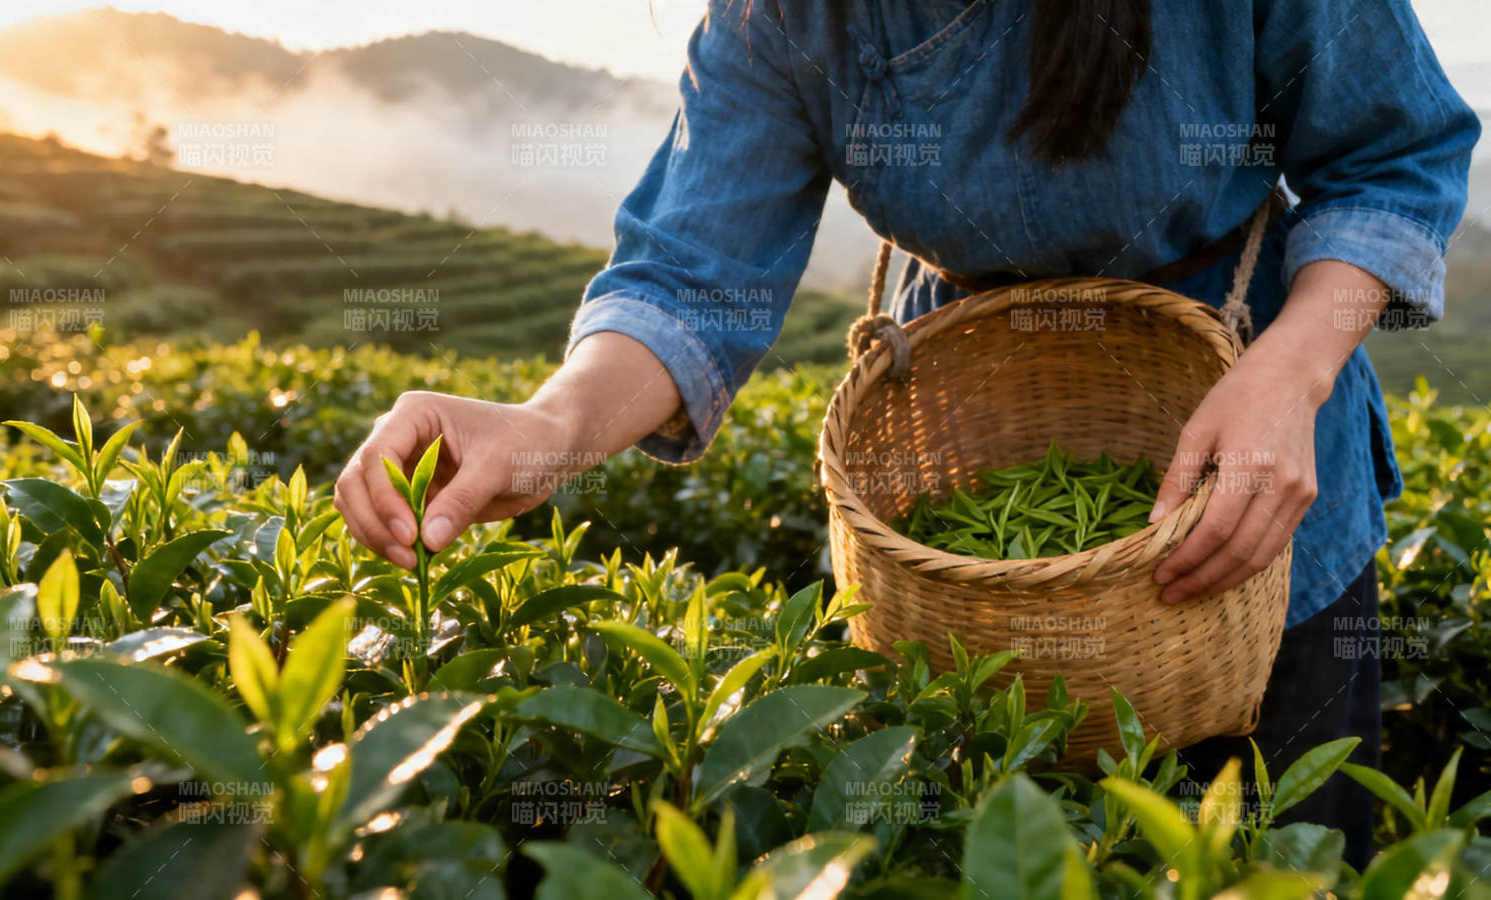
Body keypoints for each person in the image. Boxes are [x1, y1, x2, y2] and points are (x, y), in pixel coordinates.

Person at [334, 0, 1479, 865]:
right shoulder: (784, 17)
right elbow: (690, 275)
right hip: (976, 429)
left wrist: (1290, 368)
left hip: (1266, 425)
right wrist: (544, 427)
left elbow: (1395, 151)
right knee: (1023, 848)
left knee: (1296, 851)